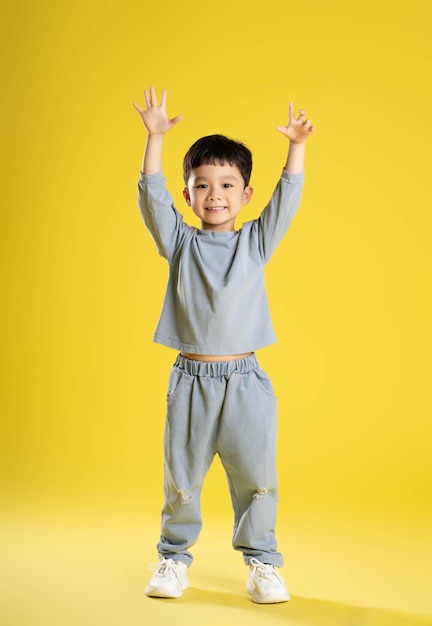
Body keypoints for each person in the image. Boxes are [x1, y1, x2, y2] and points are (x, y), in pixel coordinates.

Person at [133, 87, 315, 603]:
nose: (215, 195)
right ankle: (172, 560)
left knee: (256, 476)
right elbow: (152, 198)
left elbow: (289, 199)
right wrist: (154, 139)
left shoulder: (255, 243)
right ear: (188, 196)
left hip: (245, 382)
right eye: (202, 185)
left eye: (228, 185)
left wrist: (296, 147)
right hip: (190, 381)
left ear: (245, 194)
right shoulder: (181, 242)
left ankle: (263, 564)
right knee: (182, 476)